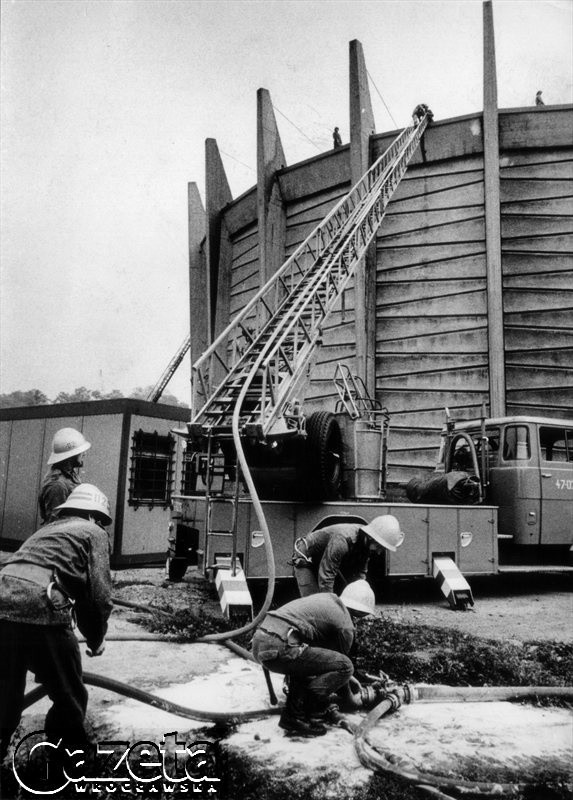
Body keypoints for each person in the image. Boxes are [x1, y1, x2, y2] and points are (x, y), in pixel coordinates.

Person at [0, 484, 113, 764]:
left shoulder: (46, 530)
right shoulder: (93, 532)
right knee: (69, 691)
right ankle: (68, 761)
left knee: (5, 691)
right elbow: (98, 597)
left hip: (2, 601)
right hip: (42, 606)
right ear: (93, 516)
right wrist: (97, 638)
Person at [252, 579, 375, 737]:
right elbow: (341, 665)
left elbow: (324, 659)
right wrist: (351, 700)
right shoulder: (346, 625)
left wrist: (351, 680)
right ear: (362, 613)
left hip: (261, 641)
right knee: (346, 666)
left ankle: (292, 716)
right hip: (280, 646)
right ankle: (309, 709)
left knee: (308, 661)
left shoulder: (327, 600)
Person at [291, 515, 404, 597]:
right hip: (306, 557)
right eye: (379, 547)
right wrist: (330, 605)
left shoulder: (365, 541)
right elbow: (327, 575)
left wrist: (360, 593)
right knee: (314, 603)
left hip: (325, 558)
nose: (379, 552)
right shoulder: (342, 540)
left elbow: (361, 572)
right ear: (371, 538)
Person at [39, 428, 91, 524]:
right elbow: (55, 525)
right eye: (81, 451)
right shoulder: (57, 485)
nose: (84, 454)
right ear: (71, 455)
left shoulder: (70, 475)